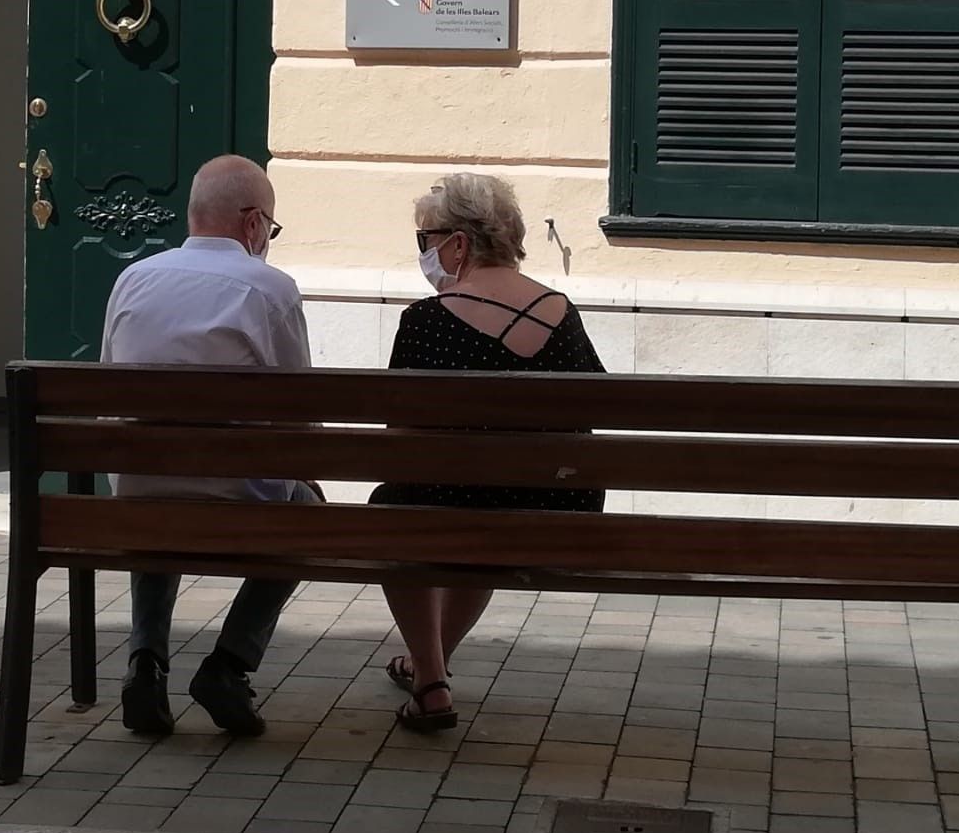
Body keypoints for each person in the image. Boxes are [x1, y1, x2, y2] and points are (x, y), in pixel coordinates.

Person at [370, 173, 605, 733]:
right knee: (478, 507)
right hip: (551, 514)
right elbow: (592, 413)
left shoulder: (424, 321)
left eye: (426, 240)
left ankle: (429, 681)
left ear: (458, 244)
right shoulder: (562, 311)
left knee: (396, 507)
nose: (425, 253)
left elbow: (399, 436)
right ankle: (432, 665)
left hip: (452, 507)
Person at [103, 154, 319, 739]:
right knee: (310, 515)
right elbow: (299, 416)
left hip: (140, 501)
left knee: (156, 481)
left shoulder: (132, 278)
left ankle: (145, 664)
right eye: (270, 230)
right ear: (253, 225)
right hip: (238, 503)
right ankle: (228, 666)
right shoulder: (271, 289)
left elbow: (111, 398)